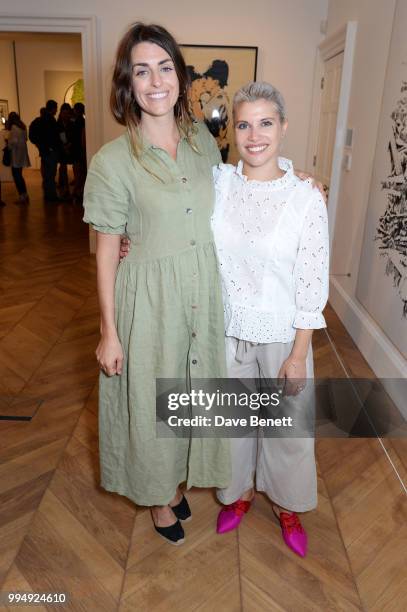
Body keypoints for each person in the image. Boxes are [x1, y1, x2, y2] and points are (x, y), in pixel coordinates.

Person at [82, 23, 231, 546]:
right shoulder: (111, 162)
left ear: (180, 75)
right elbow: (105, 251)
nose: (156, 81)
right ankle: (158, 498)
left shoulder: (202, 144)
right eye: (141, 71)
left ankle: (173, 482)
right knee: (151, 404)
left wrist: (296, 180)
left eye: (165, 67)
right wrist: (109, 331)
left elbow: (237, 203)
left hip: (201, 293)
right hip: (147, 303)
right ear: (128, 83)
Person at [212, 82, 329, 558]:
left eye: (265, 123)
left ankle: (287, 503)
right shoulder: (217, 183)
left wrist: (299, 354)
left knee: (287, 428)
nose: (254, 135)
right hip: (228, 331)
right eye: (244, 124)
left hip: (285, 335)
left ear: (283, 127)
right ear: (232, 131)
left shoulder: (306, 197)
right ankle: (239, 493)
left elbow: (312, 279)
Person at [37, 99, 62, 202]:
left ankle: (48, 195)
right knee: (51, 175)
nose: (56, 111)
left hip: (45, 151)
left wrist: (40, 146)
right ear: (52, 109)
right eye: (56, 108)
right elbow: (54, 136)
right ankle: (52, 196)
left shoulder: (41, 119)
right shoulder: (50, 120)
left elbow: (33, 135)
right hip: (51, 152)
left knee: (47, 175)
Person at [5, 112, 30, 203]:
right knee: (19, 175)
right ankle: (25, 194)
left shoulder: (14, 128)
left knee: (16, 176)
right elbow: (26, 139)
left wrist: (8, 143)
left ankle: (22, 196)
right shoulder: (22, 126)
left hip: (16, 155)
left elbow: (13, 142)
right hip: (22, 154)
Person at [57, 102, 74, 199]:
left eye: (67, 113)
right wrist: (64, 147)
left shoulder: (72, 123)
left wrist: (69, 145)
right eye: (64, 113)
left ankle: (75, 190)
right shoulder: (58, 123)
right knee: (62, 169)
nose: (65, 115)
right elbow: (57, 137)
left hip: (71, 148)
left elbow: (74, 136)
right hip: (62, 150)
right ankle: (65, 188)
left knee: (76, 168)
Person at [71, 102, 87, 202]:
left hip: (78, 150)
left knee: (78, 173)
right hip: (80, 150)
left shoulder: (78, 121)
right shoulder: (82, 121)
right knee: (80, 172)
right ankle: (79, 192)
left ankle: (77, 192)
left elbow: (80, 138)